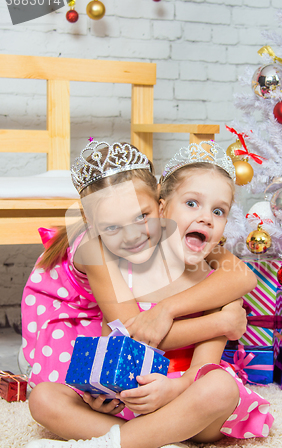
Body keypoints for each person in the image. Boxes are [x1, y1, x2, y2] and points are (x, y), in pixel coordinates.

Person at [22, 141, 273, 448]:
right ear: (164, 206)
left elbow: (205, 368)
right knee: (44, 399)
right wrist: (100, 392)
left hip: (184, 398)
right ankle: (155, 444)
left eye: (219, 211)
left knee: (220, 388)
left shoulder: (215, 282)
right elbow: (122, 340)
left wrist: (173, 389)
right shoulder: (126, 266)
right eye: (191, 204)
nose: (204, 216)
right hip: (132, 397)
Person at [21, 141, 255, 389]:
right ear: (92, 223)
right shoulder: (94, 247)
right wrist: (220, 324)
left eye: (142, 216)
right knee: (75, 386)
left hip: (113, 315)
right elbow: (133, 334)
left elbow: (243, 278)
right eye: (112, 226)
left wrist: (166, 309)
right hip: (72, 318)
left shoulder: (179, 230)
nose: (133, 236)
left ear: (159, 202)